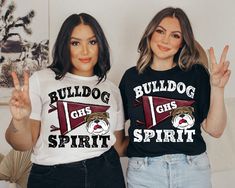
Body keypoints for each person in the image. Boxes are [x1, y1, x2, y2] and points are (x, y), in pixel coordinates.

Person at [5, 13, 127, 188]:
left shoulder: (112, 89)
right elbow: (21, 144)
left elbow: (120, 146)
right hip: (53, 177)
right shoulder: (41, 80)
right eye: (75, 43)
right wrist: (19, 120)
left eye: (92, 42)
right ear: (65, 45)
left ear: (100, 45)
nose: (85, 51)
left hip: (105, 173)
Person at [119, 7, 231, 188]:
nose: (165, 40)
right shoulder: (131, 77)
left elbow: (215, 130)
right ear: (150, 33)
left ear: (182, 42)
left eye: (175, 35)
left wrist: (218, 88)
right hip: (143, 171)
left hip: (192, 168)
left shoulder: (196, 74)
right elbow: (117, 125)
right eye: (160, 31)